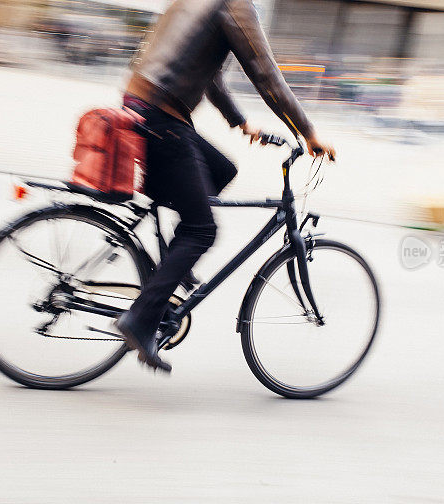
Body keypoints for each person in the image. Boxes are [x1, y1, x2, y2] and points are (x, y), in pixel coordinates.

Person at [115, 0, 336, 372]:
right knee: (202, 230)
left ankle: (173, 264)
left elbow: (210, 73)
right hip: (161, 118)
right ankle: (140, 319)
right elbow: (265, 73)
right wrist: (308, 131)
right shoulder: (234, 4)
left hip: (143, 104)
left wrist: (240, 121)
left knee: (221, 170)